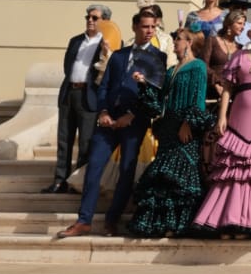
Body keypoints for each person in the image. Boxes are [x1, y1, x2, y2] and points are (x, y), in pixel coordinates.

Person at [55, 12, 167, 240]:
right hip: (107, 121)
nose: (149, 31)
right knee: (93, 168)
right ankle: (83, 220)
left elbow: (156, 93)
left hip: (134, 123)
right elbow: (104, 87)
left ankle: (111, 221)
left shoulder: (159, 58)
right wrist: (103, 111)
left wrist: (133, 115)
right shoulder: (118, 56)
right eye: (145, 26)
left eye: (153, 27)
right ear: (135, 27)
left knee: (126, 172)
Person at [191, 0, 251, 238]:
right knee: (233, 168)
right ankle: (228, 220)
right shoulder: (239, 56)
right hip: (238, 117)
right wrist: (222, 116)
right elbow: (227, 88)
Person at [127, 29, 214, 239]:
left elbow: (198, 97)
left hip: (184, 126)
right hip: (168, 126)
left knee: (182, 173)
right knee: (164, 174)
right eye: (174, 39)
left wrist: (188, 124)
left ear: (189, 42)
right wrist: (144, 84)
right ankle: (161, 223)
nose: (174, 43)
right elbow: (159, 100)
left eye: (178, 39)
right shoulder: (171, 70)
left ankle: (179, 224)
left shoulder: (198, 66)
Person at [46, 3, 111, 194]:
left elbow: (108, 71)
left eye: (94, 18)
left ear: (105, 21)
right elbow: (68, 66)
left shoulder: (108, 42)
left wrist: (106, 51)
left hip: (89, 95)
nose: (90, 20)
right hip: (69, 92)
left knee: (86, 142)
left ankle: (79, 181)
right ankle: (60, 181)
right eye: (88, 17)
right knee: (64, 138)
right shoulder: (75, 41)